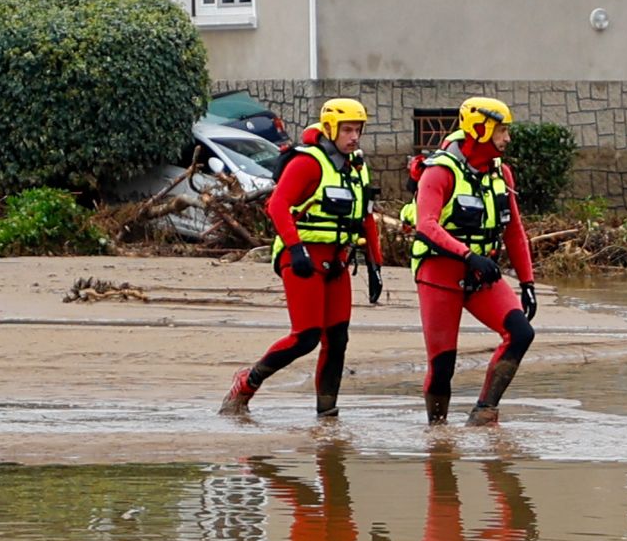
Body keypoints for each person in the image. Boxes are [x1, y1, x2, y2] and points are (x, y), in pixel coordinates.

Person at [219, 98, 383, 418]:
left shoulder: (357, 167)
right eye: (347, 130)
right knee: (305, 337)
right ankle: (247, 382)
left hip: (336, 261)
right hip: (302, 258)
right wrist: (296, 250)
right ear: (330, 129)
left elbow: (366, 217)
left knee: (337, 340)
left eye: (358, 130)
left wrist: (375, 266)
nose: (354, 137)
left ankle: (326, 414)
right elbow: (277, 206)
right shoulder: (308, 163)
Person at [410, 96, 538, 426]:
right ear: (479, 129)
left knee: (521, 333)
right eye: (501, 131)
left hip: (483, 274)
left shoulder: (502, 173)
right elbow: (426, 225)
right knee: (442, 367)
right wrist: (468, 255)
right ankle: (437, 433)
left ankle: (484, 412)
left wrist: (528, 283)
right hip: (440, 272)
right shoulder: (439, 172)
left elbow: (514, 230)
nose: (507, 139)